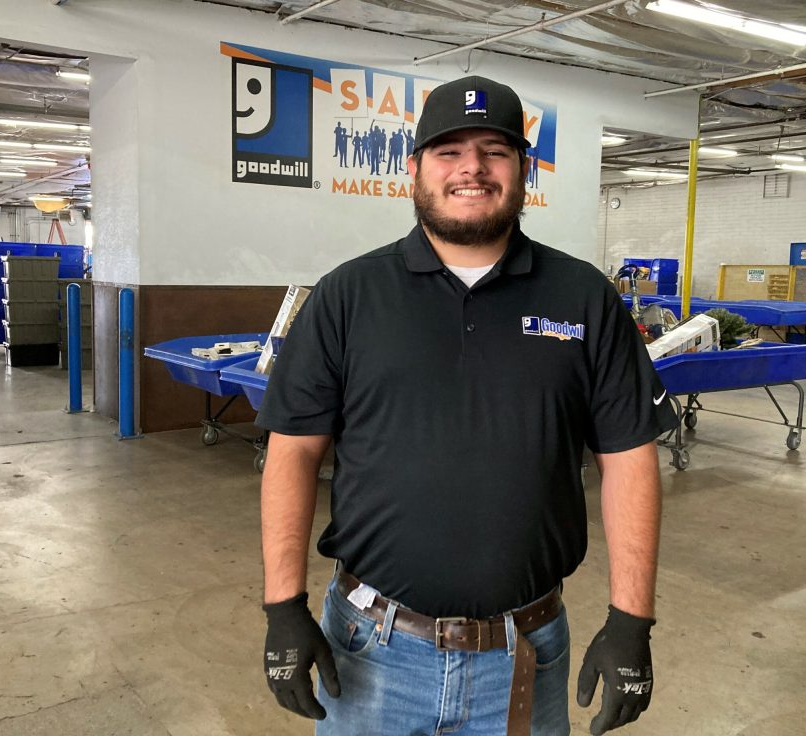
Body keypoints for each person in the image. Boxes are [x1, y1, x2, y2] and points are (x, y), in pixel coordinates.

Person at [257, 74, 676, 736]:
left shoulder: (584, 299)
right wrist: (283, 608)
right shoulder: (347, 297)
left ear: (524, 170)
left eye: (494, 150)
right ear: (414, 169)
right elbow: (294, 451)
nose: (472, 168)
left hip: (527, 656)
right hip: (371, 652)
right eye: (449, 150)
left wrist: (631, 621)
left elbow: (629, 459)